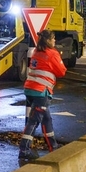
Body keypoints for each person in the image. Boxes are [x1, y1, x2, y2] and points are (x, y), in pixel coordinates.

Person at [19, 29, 67, 162]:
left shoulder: (36, 51)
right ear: (48, 40)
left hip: (30, 90)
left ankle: (53, 146)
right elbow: (62, 71)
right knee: (34, 121)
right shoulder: (52, 53)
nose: (55, 41)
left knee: (47, 119)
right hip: (41, 92)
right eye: (53, 38)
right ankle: (24, 150)